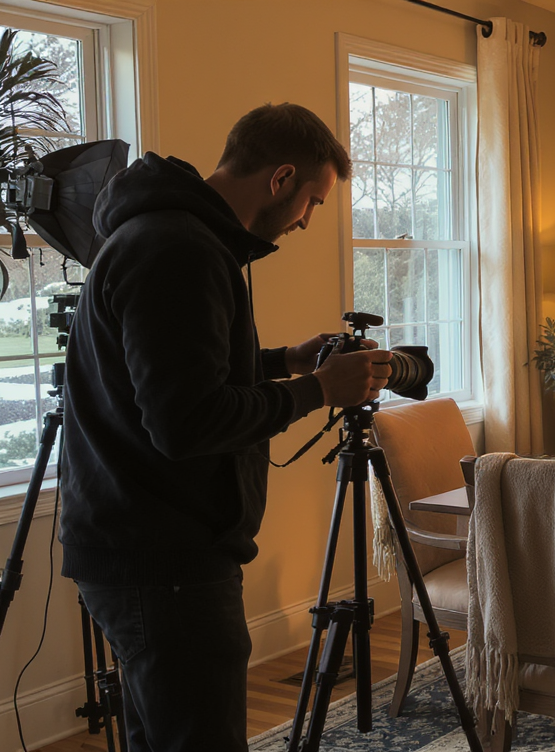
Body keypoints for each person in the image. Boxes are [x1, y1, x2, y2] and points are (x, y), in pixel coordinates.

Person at [59, 103, 389, 752]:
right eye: (312, 202)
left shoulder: (168, 235)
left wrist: (284, 361)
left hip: (146, 551)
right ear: (281, 177)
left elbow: (174, 374)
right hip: (164, 560)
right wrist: (319, 389)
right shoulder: (179, 249)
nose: (306, 219)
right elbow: (186, 421)